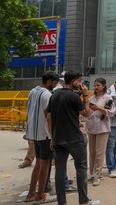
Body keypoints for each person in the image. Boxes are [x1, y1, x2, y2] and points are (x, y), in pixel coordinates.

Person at [46, 70, 100, 205]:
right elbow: (87, 113)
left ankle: (62, 202)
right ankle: (84, 201)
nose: (81, 83)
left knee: (60, 170)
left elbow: (49, 116)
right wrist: (86, 95)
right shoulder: (74, 97)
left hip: (58, 138)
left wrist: (52, 136)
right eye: (80, 81)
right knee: (81, 168)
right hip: (75, 138)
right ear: (74, 81)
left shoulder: (54, 95)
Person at [22, 71, 59, 203]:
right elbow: (48, 116)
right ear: (49, 82)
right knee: (45, 165)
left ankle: (31, 193)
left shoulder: (33, 91)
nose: (54, 86)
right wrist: (52, 137)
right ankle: (39, 196)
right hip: (45, 135)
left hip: (34, 134)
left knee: (38, 164)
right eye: (54, 83)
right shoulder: (47, 95)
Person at [85, 77, 116, 186]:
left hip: (103, 128)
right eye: (95, 85)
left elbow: (112, 112)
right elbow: (87, 111)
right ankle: (92, 173)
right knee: (92, 152)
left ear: (103, 86)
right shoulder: (92, 98)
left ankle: (98, 175)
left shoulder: (108, 98)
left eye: (98, 85)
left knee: (99, 152)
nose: (96, 87)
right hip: (91, 126)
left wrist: (98, 109)